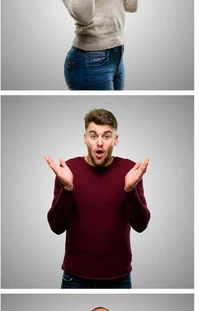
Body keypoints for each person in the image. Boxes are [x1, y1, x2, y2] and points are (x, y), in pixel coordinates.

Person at [45, 108, 150, 288]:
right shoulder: (68, 170)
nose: (99, 142)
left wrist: (130, 190)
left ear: (115, 140)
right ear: (85, 138)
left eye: (106, 136)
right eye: (93, 136)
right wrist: (67, 188)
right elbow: (56, 227)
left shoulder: (130, 170)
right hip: (74, 278)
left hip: (119, 278)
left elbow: (141, 225)